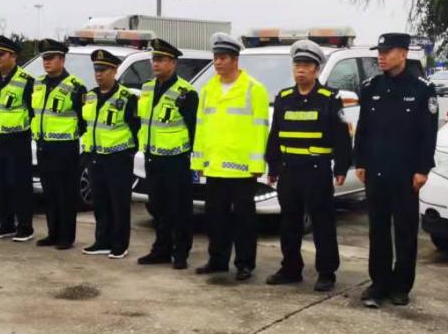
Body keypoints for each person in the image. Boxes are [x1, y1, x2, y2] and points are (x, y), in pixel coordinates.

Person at [353, 32, 438, 307]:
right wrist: (360, 161)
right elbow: (363, 128)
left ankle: (401, 285)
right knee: (377, 230)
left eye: (387, 52)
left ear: (403, 53)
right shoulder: (372, 87)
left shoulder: (421, 89)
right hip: (376, 170)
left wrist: (423, 169)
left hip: (405, 173)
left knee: (404, 231)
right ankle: (379, 283)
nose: (382, 57)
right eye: (379, 52)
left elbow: (428, 134)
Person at [264, 39, 353, 292]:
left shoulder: (329, 98)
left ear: (316, 69)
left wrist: (341, 168)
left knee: (322, 223)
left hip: (317, 170)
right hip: (289, 170)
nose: (300, 70)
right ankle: (290, 268)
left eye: (306, 65)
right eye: (297, 65)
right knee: (289, 222)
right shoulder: (284, 98)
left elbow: (342, 137)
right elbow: (275, 135)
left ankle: (326, 272)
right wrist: (273, 166)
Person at [192, 32, 271, 281]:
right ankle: (217, 260)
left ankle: (245, 263)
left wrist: (257, 163)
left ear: (235, 60)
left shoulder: (254, 89)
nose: (217, 62)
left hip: (241, 168)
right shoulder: (208, 89)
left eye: (223, 58)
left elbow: (260, 129)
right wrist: (198, 161)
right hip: (214, 166)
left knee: (244, 220)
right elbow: (201, 127)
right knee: (216, 218)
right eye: (215, 58)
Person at [135, 38, 198, 270]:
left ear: (173, 63)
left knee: (179, 209)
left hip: (176, 160)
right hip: (153, 157)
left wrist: (192, 158)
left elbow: (193, 129)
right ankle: (161, 249)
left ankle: (180, 252)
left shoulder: (186, 92)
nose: (155, 64)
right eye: (154, 59)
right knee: (158, 207)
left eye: (160, 59)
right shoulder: (147, 88)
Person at [81, 49, 140, 259]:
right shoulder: (90, 96)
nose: (99, 74)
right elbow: (86, 125)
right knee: (100, 202)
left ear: (114, 71)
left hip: (118, 158)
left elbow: (136, 129)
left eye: (103, 70)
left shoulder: (127, 98)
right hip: (95, 157)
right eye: (96, 70)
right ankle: (102, 241)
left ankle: (119, 244)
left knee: (119, 203)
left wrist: (128, 153)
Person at [31, 37, 87, 249]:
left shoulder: (75, 87)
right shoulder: (38, 84)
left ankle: (66, 237)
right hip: (44, 146)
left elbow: (83, 121)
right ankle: (52, 233)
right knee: (50, 192)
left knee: (65, 194)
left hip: (65, 149)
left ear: (62, 60)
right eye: (44, 58)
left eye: (51, 58)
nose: (47, 62)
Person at [0, 34, 36, 241]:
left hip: (17, 140)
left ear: (13, 56)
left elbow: (33, 112)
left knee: (20, 185)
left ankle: (25, 227)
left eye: (0, 54)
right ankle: (5, 225)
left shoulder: (26, 81)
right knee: (0, 185)